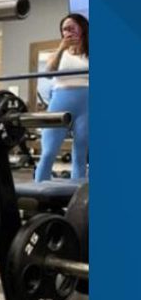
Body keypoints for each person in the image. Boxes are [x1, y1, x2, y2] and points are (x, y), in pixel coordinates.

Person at [35, 13, 89, 182]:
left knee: (80, 153)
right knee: (49, 152)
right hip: (60, 101)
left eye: (72, 28)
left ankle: (76, 195)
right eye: (64, 29)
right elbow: (49, 73)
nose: (68, 32)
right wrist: (61, 48)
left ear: (82, 29)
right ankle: (38, 191)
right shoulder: (60, 53)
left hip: (87, 103)